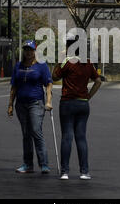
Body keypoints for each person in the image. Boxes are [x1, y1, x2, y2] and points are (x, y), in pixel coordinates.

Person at [52, 34, 102, 180]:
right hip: (83, 103)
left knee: (67, 136)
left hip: (68, 102)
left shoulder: (67, 62)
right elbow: (98, 81)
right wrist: (88, 96)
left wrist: (59, 60)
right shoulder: (87, 62)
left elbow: (54, 77)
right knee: (81, 137)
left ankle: (65, 171)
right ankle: (84, 171)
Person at [7, 40, 53, 174]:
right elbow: (14, 86)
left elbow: (48, 84)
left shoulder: (41, 66)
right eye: (26, 49)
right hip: (21, 104)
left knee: (36, 131)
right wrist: (10, 104)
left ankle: (44, 164)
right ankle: (28, 164)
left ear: (35, 51)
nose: (28, 52)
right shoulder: (18, 66)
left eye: (31, 49)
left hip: (36, 103)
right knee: (26, 134)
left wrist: (48, 101)